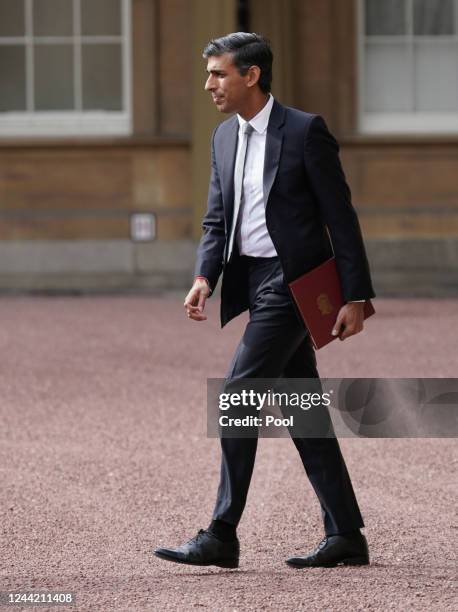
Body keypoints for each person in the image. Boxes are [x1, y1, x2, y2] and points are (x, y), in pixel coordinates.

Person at [154, 32, 375, 570]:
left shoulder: (304, 131)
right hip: (252, 281)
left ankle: (222, 532)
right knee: (302, 407)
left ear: (251, 75)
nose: (209, 84)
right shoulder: (222, 138)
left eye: (219, 74)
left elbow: (340, 217)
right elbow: (216, 220)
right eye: (208, 74)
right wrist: (206, 275)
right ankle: (346, 534)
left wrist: (356, 295)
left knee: (237, 394)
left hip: (295, 282)